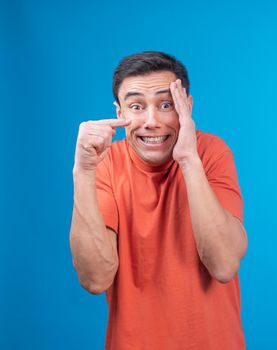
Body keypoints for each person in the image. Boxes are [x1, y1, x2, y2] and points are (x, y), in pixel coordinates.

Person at [69, 51, 248, 349]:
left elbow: (224, 265)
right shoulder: (106, 164)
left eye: (166, 105)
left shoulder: (212, 152)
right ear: (119, 113)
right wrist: (83, 173)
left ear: (187, 107)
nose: (151, 121)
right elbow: (95, 279)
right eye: (136, 106)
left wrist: (189, 160)